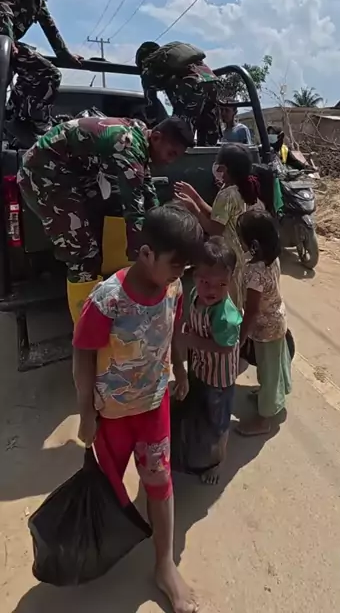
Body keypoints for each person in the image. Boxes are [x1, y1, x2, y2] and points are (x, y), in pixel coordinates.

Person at [72, 205, 204, 613]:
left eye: (185, 267)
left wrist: (179, 368)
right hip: (110, 415)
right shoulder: (107, 300)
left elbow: (173, 332)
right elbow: (82, 355)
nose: (180, 274)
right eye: (175, 265)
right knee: (108, 489)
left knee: (159, 482)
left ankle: (164, 565)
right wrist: (86, 413)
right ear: (146, 254)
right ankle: (100, 546)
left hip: (152, 407)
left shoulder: (174, 289)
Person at [18, 115, 194, 323]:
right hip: (44, 174)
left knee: (99, 232)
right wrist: (148, 264)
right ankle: (87, 330)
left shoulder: (141, 138)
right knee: (83, 254)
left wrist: (162, 231)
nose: (170, 161)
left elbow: (147, 192)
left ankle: (103, 305)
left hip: (71, 175)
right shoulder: (127, 144)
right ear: (156, 137)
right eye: (170, 153)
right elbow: (134, 211)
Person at [172, 237, 242, 485]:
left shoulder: (226, 317)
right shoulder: (195, 296)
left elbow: (225, 348)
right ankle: (199, 448)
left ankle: (218, 461)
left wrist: (192, 341)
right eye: (205, 282)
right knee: (200, 413)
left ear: (230, 280)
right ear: (194, 277)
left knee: (218, 421)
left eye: (222, 284)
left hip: (219, 380)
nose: (212, 290)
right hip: (200, 368)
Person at [0, 0, 82, 135]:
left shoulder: (38, 0)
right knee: (50, 73)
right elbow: (3, 5)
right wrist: (7, 36)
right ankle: (37, 119)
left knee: (37, 73)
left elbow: (50, 28)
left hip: (9, 46)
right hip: (4, 41)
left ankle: (13, 115)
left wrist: (65, 54)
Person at [174, 143, 263, 308]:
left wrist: (193, 208)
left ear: (224, 168)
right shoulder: (236, 189)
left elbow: (214, 229)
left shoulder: (227, 194)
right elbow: (217, 216)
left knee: (229, 301)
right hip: (240, 253)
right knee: (235, 296)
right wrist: (195, 196)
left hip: (229, 254)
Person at [236, 209, 292, 436]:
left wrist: (240, 338)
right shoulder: (271, 258)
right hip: (277, 319)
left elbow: (251, 311)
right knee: (273, 365)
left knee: (268, 373)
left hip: (265, 328)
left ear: (253, 244)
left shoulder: (255, 273)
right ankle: (269, 395)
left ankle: (263, 420)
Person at [136, 41, 221, 146]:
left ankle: (183, 155)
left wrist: (152, 134)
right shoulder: (172, 58)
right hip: (211, 81)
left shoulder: (149, 68)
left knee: (180, 134)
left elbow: (151, 107)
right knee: (209, 130)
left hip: (191, 86)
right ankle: (209, 152)